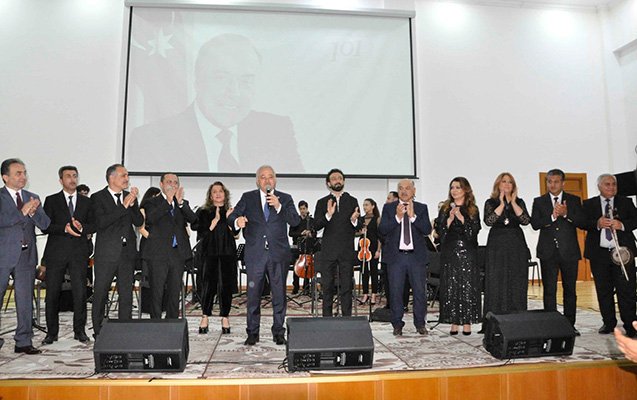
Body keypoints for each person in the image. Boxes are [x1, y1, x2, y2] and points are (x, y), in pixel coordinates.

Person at [129, 33, 303, 173]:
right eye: (221, 78)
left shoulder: (277, 131)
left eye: (246, 81)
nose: (234, 92)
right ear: (198, 81)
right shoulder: (152, 139)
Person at [228, 165, 300, 345]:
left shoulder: (285, 198)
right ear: (257, 181)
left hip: (278, 255)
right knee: (253, 295)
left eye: (270, 177)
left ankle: (278, 331)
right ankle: (252, 332)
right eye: (263, 177)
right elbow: (232, 216)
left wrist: (279, 206)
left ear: (275, 179)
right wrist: (237, 221)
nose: (267, 180)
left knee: (279, 295)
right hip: (255, 255)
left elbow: (295, 221)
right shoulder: (248, 197)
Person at [0, 158, 50, 354]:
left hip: (26, 256)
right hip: (3, 256)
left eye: (24, 173)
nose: (23, 177)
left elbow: (45, 224)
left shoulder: (32, 197)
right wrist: (22, 211)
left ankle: (23, 341)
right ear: (5, 177)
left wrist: (33, 212)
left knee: (25, 300)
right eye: (18, 173)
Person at [41, 166, 93, 345]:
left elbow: (94, 224)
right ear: (61, 180)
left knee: (80, 293)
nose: (72, 179)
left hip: (79, 253)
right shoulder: (51, 200)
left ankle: (80, 331)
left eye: (75, 176)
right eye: (68, 176)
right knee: (52, 294)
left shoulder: (86, 202)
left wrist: (82, 228)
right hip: (56, 253)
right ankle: (51, 333)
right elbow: (45, 226)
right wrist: (64, 229)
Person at [90, 164, 143, 336]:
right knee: (101, 292)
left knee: (126, 293)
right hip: (107, 254)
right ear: (111, 178)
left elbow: (138, 221)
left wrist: (133, 205)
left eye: (127, 175)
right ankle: (98, 330)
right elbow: (100, 223)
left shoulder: (129, 196)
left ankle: (124, 330)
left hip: (127, 253)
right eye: (123, 175)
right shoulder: (98, 197)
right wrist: (123, 207)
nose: (127, 179)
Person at [581, 174, 637, 337]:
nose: (611, 187)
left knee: (626, 289)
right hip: (599, 254)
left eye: (614, 184)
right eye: (607, 184)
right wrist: (597, 224)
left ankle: (630, 324)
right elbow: (582, 222)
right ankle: (609, 323)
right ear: (599, 186)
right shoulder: (589, 204)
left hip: (623, 254)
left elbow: (635, 220)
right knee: (603, 290)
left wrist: (622, 225)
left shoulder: (626, 202)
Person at [530, 169, 584, 335]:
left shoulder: (574, 200)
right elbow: (535, 224)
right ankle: (551, 325)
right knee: (549, 290)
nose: (552, 185)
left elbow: (582, 222)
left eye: (556, 181)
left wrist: (566, 214)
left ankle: (569, 324)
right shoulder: (539, 201)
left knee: (570, 290)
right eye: (549, 181)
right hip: (548, 252)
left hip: (569, 252)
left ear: (563, 183)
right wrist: (552, 216)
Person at [378, 179, 431, 336]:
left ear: (414, 191)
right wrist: (397, 217)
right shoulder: (389, 208)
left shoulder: (421, 208)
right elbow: (382, 230)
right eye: (400, 188)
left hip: (416, 257)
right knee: (395, 292)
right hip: (396, 258)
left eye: (407, 188)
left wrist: (413, 217)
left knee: (419, 292)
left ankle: (420, 323)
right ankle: (397, 324)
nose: (404, 191)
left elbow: (427, 229)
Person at [142, 173, 197, 319]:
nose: (173, 185)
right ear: (161, 184)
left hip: (177, 253)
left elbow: (193, 219)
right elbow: (150, 219)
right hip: (158, 254)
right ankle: (156, 323)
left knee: (174, 291)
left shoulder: (182, 203)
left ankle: (172, 322)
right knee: (157, 291)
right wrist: (168, 201)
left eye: (175, 182)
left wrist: (181, 204)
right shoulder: (151, 202)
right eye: (169, 182)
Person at [481, 172, 531, 332]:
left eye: (510, 182)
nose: (507, 184)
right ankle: (494, 321)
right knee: (496, 280)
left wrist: (513, 202)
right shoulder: (491, 202)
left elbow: (525, 220)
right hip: (497, 245)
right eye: (504, 181)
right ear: (498, 184)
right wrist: (502, 203)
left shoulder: (519, 202)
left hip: (516, 244)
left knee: (516, 279)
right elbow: (489, 221)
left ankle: (517, 318)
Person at [435, 177, 481, 336]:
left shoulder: (472, 209)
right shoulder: (445, 208)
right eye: (452, 187)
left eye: (458, 187)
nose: (454, 190)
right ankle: (454, 321)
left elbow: (473, 233)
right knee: (452, 286)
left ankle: (467, 322)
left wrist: (462, 219)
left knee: (467, 286)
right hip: (450, 252)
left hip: (467, 252)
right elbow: (440, 234)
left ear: (465, 190)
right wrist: (449, 220)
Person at [313, 168, 362, 317]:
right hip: (329, 251)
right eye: (334, 179)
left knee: (346, 286)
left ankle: (347, 318)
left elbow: (359, 225)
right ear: (328, 183)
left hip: (346, 250)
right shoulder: (322, 202)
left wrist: (354, 220)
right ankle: (326, 319)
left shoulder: (352, 201)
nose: (337, 181)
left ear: (344, 181)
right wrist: (328, 215)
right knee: (327, 287)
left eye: (340, 178)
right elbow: (316, 226)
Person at [192, 181, 237, 335]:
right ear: (210, 196)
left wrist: (231, 221)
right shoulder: (203, 212)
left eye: (220, 191)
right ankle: (205, 316)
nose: (218, 194)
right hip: (209, 253)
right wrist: (214, 222)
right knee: (208, 285)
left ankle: (225, 317)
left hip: (227, 253)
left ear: (225, 194)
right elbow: (200, 234)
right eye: (214, 192)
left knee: (226, 286)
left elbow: (236, 234)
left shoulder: (231, 211)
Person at [356, 198, 381, 305]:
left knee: (374, 271)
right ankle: (365, 294)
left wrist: (378, 250)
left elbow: (380, 236)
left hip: (373, 247)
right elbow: (355, 233)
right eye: (364, 205)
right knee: (364, 271)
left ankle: (374, 294)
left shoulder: (377, 219)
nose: (364, 207)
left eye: (366, 205)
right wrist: (360, 232)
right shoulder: (361, 219)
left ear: (373, 206)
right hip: (362, 248)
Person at [288, 200, 315, 294]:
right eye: (301, 209)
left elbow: (314, 233)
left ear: (307, 209)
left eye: (304, 209)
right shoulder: (295, 220)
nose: (302, 211)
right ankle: (295, 287)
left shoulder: (311, 220)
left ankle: (306, 287)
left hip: (308, 246)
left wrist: (310, 234)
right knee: (297, 266)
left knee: (307, 266)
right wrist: (301, 233)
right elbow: (290, 233)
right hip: (297, 246)